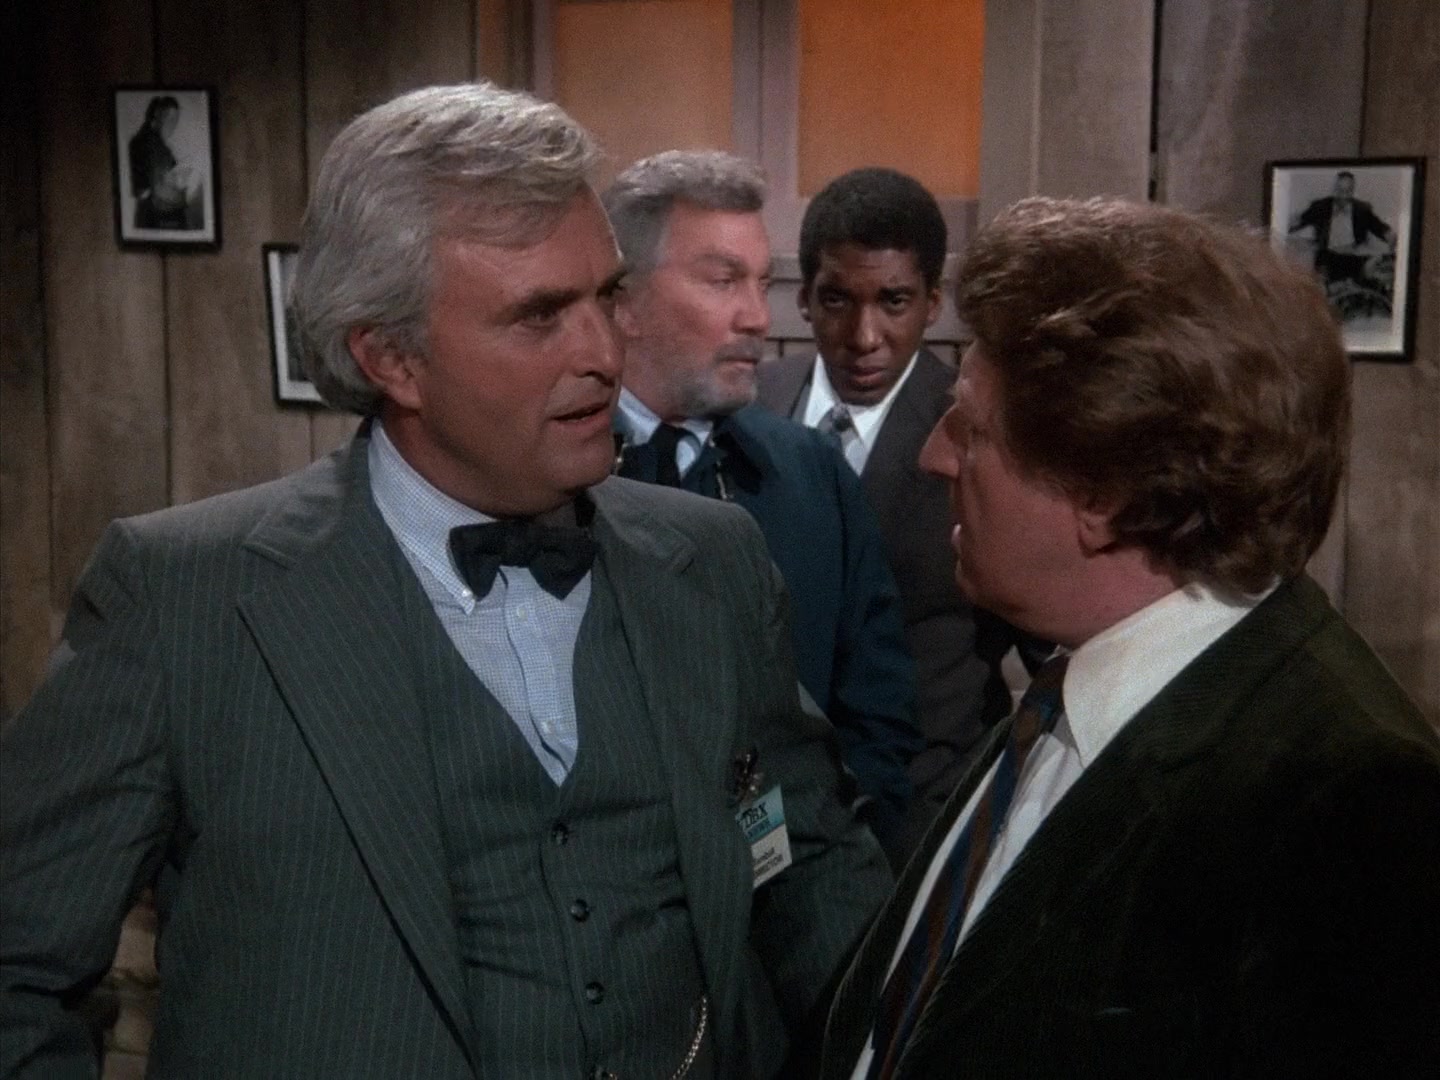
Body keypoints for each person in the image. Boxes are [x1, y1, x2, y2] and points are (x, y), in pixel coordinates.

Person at [0, 84, 892, 1080]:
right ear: (391, 357)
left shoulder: (713, 561)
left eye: (604, 296)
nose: (604, 353)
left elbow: (810, 864)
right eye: (539, 316)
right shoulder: (185, 600)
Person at [821, 196, 1440, 1079]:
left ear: (1106, 492)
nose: (935, 455)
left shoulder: (1351, 805)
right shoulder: (1068, 686)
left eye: (974, 427)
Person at [603, 151, 922, 859]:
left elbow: (877, 713)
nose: (757, 316)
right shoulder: (549, 479)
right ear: (623, 300)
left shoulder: (812, 475)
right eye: (723, 281)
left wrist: (835, 871)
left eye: (763, 282)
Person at [756, 167, 1043, 862]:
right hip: (766, 810)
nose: (865, 336)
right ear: (804, 300)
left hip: (926, 815)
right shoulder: (750, 406)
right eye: (837, 300)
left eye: (893, 301)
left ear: (933, 303)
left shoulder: (986, 435)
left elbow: (1051, 637)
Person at [1288, 169, 1395, 302]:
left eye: (1348, 191)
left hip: (1353, 258)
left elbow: (1379, 227)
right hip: (1327, 258)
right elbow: (1299, 221)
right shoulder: (1321, 206)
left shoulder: (1362, 209)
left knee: (1374, 275)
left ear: (1352, 191)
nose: (1343, 196)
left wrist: (1390, 235)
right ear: (1334, 189)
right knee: (1320, 292)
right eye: (1340, 191)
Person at [127, 95, 196, 230]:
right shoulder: (147, 144)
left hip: (159, 217)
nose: (173, 126)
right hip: (158, 219)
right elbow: (144, 191)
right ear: (158, 117)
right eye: (170, 120)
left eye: (175, 121)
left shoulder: (159, 146)